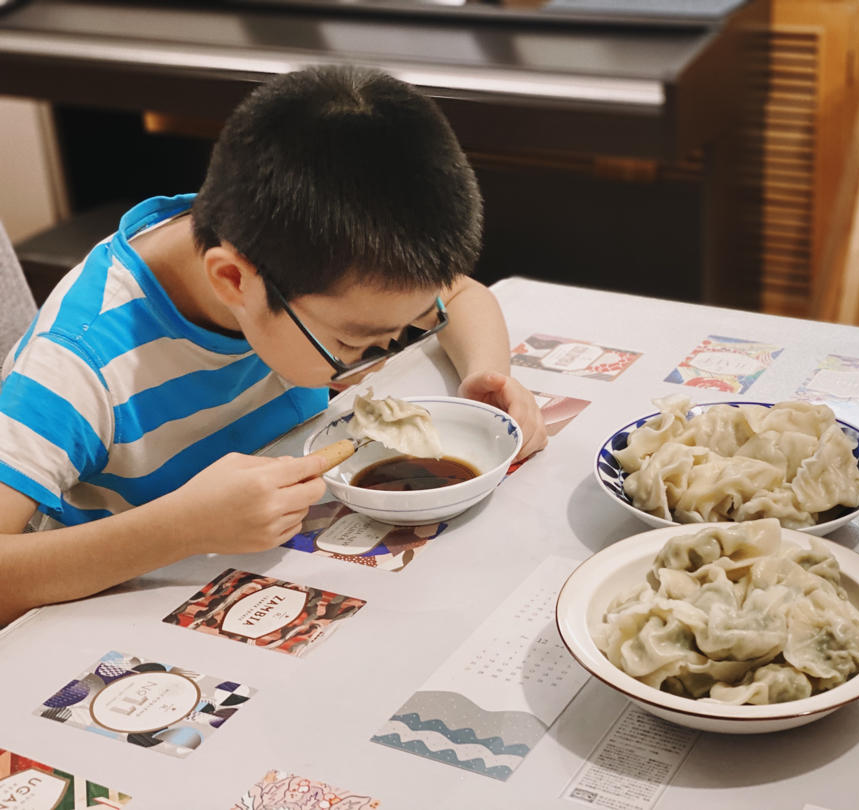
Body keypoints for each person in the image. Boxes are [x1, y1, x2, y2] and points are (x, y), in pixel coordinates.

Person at [0, 66, 547, 626]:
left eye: (405, 332)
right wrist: (179, 529)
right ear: (233, 281)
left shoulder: (303, 250)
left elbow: (460, 294)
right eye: (353, 344)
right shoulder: (80, 362)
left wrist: (487, 377)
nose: (370, 367)